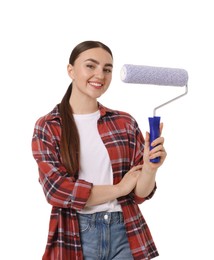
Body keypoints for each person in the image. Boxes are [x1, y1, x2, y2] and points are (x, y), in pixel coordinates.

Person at [31, 40, 167, 260]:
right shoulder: (49, 126)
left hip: (125, 231)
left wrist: (150, 168)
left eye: (107, 69)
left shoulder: (123, 122)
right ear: (71, 70)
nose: (100, 75)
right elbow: (57, 190)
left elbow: (140, 194)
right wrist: (119, 189)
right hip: (77, 235)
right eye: (91, 66)